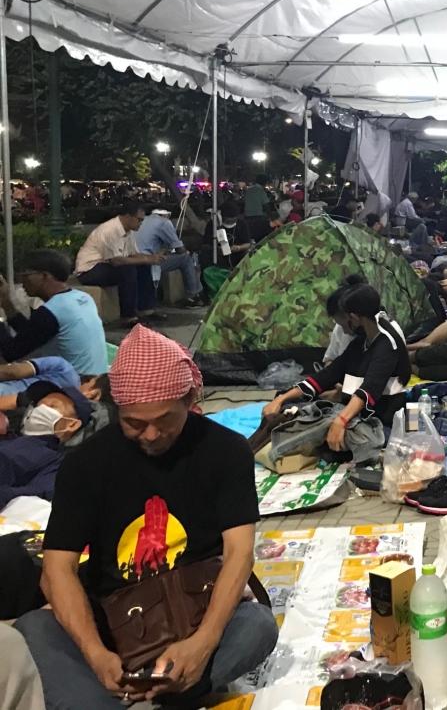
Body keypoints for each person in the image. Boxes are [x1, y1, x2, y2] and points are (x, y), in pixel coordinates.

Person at [14, 326, 278, 710]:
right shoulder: (85, 465)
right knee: (35, 627)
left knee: (256, 626)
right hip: (113, 619)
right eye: (134, 423)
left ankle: (144, 693)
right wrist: (94, 653)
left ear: (189, 398)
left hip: (190, 612)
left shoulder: (226, 452)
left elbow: (239, 553)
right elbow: (57, 568)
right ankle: (149, 695)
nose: (151, 434)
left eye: (165, 420)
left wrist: (201, 644)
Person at [264, 283, 411, 434]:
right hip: (356, 412)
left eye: (343, 323)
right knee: (287, 405)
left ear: (354, 318)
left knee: (309, 427)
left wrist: (341, 420)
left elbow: (368, 391)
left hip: (378, 420)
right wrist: (281, 398)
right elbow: (326, 376)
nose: (343, 329)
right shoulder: (360, 343)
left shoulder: (386, 345)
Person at [0, 250, 109, 376]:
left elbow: (11, 352)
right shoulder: (83, 298)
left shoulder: (52, 311)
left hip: (73, 385)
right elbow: (31, 332)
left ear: (44, 276)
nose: (21, 282)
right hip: (98, 380)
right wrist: (6, 302)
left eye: (24, 275)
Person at [74, 202, 165, 326]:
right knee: (127, 270)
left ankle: (145, 309)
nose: (141, 223)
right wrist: (145, 259)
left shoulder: (129, 231)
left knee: (143, 266)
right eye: (139, 220)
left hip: (107, 265)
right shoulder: (109, 231)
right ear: (128, 217)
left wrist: (151, 258)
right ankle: (128, 316)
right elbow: (116, 261)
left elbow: (133, 254)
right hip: (90, 269)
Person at [136, 209, 205, 307]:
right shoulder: (164, 223)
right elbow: (180, 249)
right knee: (184, 259)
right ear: (166, 215)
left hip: (135, 259)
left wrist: (165, 248)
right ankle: (193, 296)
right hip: (148, 262)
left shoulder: (144, 220)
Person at [203, 201, 254, 269]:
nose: (230, 223)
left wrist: (238, 248)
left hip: (238, 255)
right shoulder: (212, 224)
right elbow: (206, 243)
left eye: (232, 221)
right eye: (227, 221)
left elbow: (248, 243)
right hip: (217, 255)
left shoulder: (242, 224)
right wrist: (217, 249)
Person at [242, 174, 273, 241]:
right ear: (264, 183)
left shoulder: (248, 191)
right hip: (258, 219)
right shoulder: (262, 192)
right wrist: (271, 217)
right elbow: (266, 206)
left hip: (247, 219)